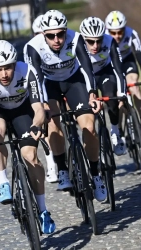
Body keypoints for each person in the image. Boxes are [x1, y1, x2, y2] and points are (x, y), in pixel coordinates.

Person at [24, 10, 107, 202]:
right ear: (43, 34)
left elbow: (87, 68)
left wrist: (92, 93)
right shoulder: (33, 47)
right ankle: (62, 169)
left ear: (65, 31)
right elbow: (35, 79)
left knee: (89, 127)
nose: (57, 39)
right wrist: (42, 105)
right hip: (48, 84)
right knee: (53, 123)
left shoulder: (75, 38)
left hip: (73, 81)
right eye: (51, 36)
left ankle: (96, 175)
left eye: (60, 34)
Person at [0, 40, 55, 234]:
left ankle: (43, 210)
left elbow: (38, 108)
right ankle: (3, 183)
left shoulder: (27, 72)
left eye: (8, 68)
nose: (4, 74)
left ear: (15, 64)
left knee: (30, 156)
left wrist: (36, 125)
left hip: (22, 110)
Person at [105, 11, 141, 142]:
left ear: (124, 29)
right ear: (108, 30)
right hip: (111, 63)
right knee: (118, 95)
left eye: (120, 32)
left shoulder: (132, 34)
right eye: (113, 32)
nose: (117, 36)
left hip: (127, 60)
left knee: (134, 85)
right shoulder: (104, 36)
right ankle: (120, 130)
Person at [79, 16, 127, 156]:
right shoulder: (76, 43)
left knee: (111, 97)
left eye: (98, 41)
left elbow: (118, 69)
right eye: (90, 41)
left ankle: (115, 131)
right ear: (83, 38)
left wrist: (122, 93)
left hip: (104, 72)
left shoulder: (109, 41)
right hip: (84, 76)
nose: (95, 46)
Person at [32, 14, 58, 183]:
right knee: (48, 120)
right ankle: (51, 164)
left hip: (60, 82)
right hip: (44, 87)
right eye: (39, 34)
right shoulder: (33, 49)